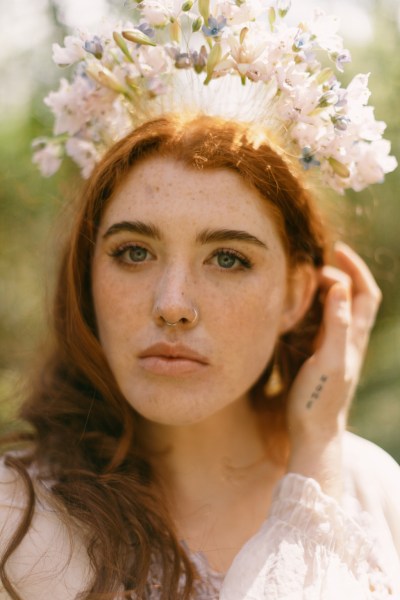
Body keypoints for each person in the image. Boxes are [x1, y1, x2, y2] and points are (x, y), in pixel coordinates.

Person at [1, 2, 400, 599]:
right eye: (134, 252)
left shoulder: (374, 489)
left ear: (296, 294)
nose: (173, 304)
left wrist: (316, 455)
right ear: (86, 275)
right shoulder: (17, 518)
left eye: (229, 258)